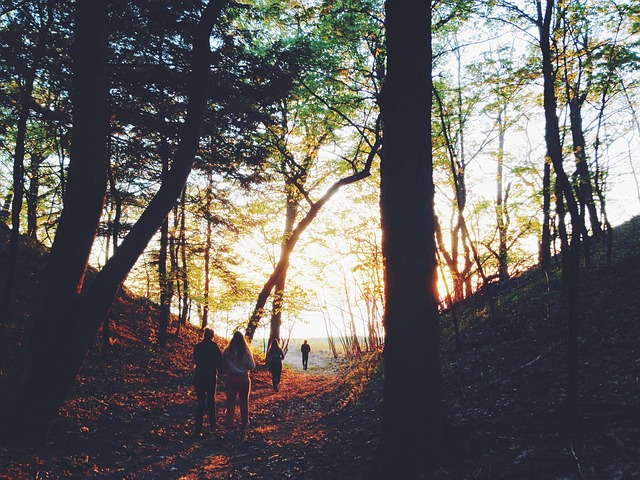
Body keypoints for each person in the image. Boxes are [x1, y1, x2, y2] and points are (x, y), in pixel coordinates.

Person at [222, 331, 256, 432]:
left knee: (230, 402)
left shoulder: (227, 352)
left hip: (231, 378)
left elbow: (223, 366)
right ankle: (245, 422)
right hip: (243, 378)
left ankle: (229, 424)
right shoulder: (246, 351)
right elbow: (252, 366)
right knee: (244, 401)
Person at [193, 328, 223, 436]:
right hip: (211, 375)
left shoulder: (198, 346)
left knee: (200, 401)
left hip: (199, 375)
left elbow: (195, 358)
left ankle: (198, 428)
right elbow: (220, 362)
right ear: (212, 336)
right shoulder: (215, 347)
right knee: (211, 400)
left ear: (204, 335)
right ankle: (212, 426)